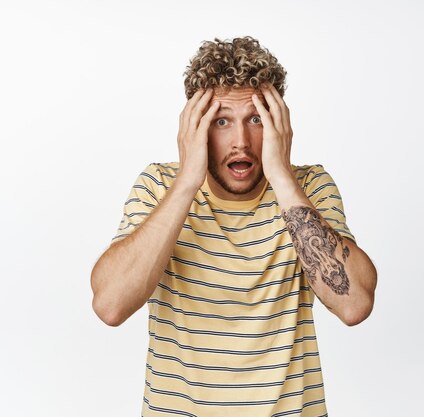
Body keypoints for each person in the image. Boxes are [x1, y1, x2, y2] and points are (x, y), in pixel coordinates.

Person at [90, 36, 377, 417]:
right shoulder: (159, 186)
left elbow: (354, 304)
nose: (241, 141)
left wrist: (281, 175)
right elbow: (110, 306)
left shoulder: (307, 189)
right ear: (196, 126)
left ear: (278, 125)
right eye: (222, 121)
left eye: (256, 120)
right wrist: (187, 182)